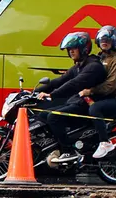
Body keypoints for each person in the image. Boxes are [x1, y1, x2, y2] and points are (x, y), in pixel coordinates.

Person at [36, 31, 104, 164]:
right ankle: (56, 148)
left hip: (87, 105)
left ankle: (69, 150)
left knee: (53, 117)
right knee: (43, 115)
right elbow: (59, 81)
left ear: (83, 49)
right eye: (69, 49)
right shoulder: (78, 66)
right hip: (77, 102)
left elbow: (73, 84)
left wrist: (52, 95)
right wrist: (33, 92)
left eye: (74, 48)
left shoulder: (93, 66)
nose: (71, 52)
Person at [83, 25, 116, 160]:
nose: (104, 42)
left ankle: (104, 142)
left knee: (95, 108)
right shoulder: (101, 57)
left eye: (108, 40)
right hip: (107, 97)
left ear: (114, 42)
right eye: (102, 39)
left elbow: (111, 85)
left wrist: (90, 91)